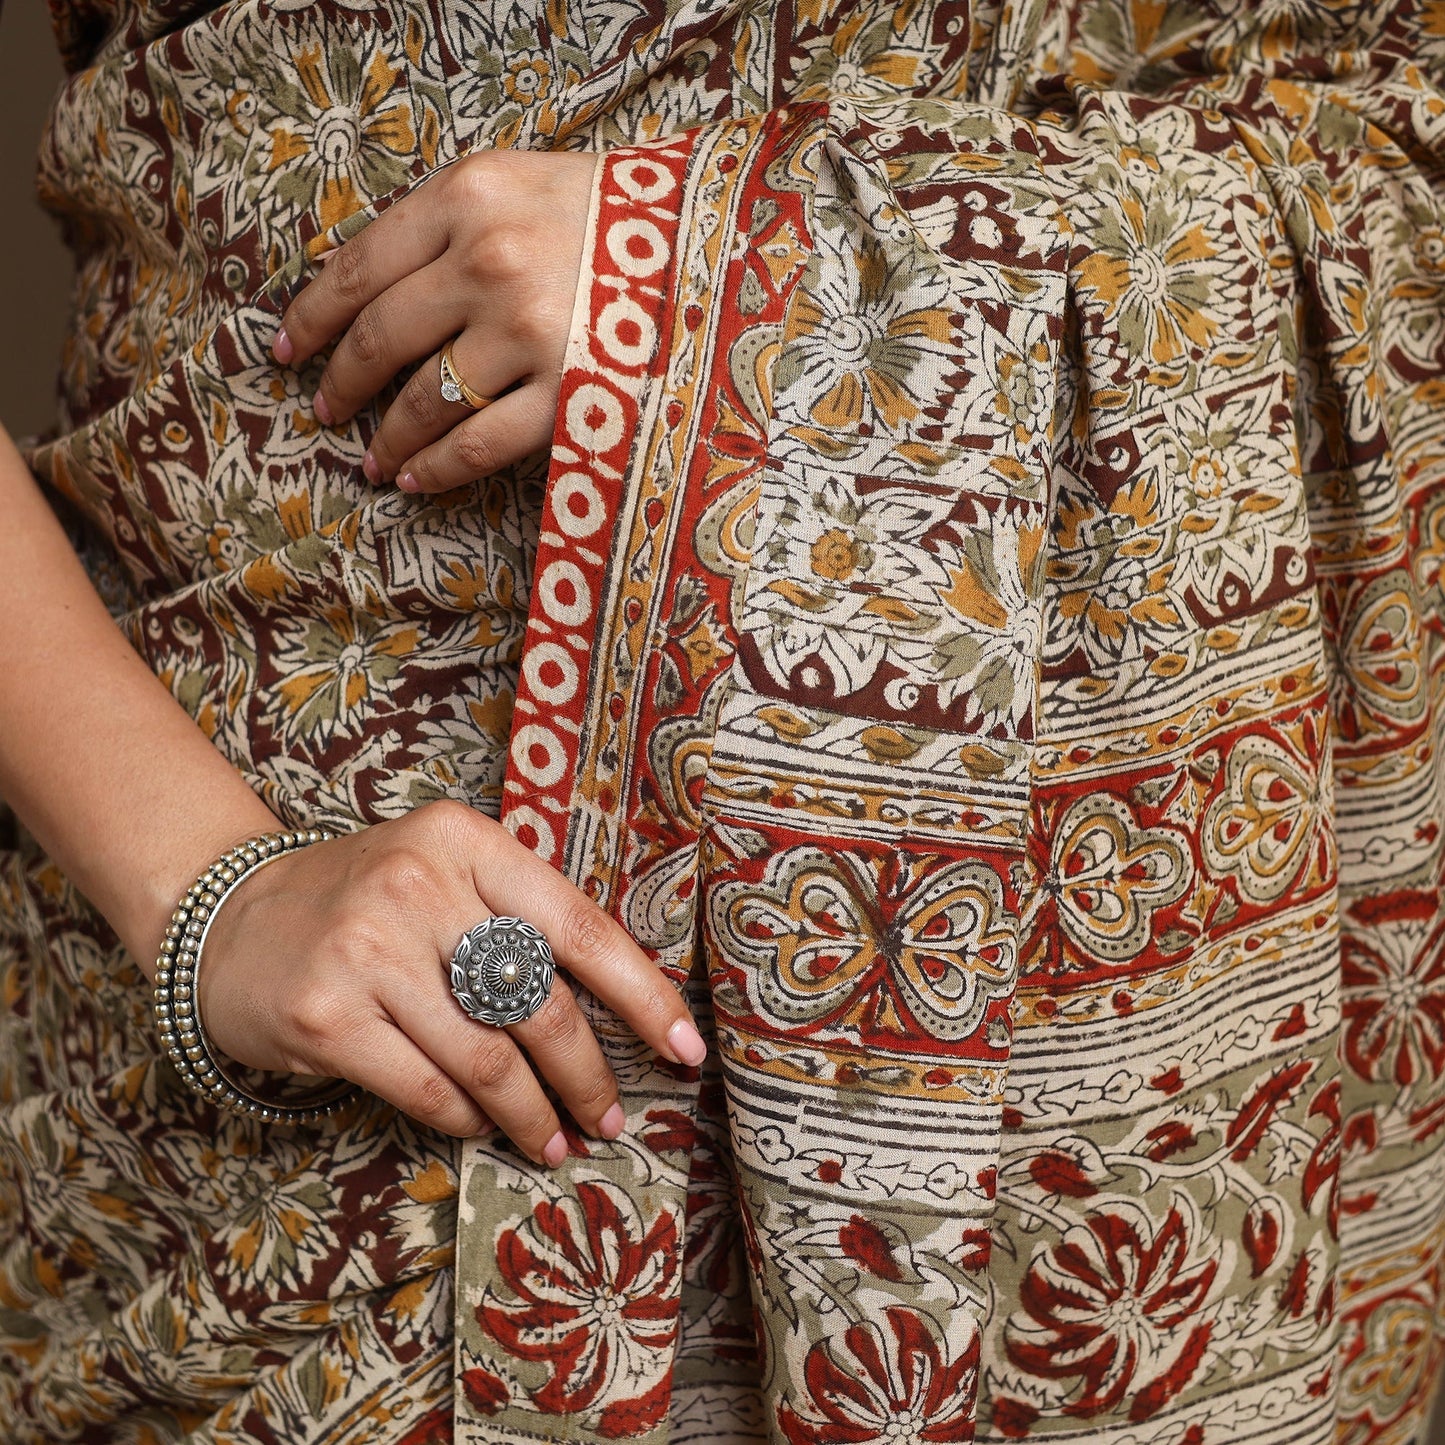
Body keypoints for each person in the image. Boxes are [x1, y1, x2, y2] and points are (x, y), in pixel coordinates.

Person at [3, 0, 1445, 1439]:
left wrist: (745, 271)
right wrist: (205, 884)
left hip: (1069, 1005)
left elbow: (1400, 126)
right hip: (362, 1032)